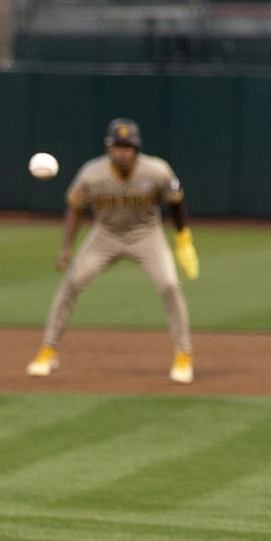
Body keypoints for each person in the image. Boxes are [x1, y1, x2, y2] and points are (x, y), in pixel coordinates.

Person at [26, 118, 200, 384]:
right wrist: (66, 247)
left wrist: (183, 238)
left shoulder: (156, 171)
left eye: (127, 146)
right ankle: (48, 350)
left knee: (170, 285)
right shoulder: (92, 174)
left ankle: (183, 354)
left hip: (146, 235)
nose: (122, 151)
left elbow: (175, 201)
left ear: (136, 149)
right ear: (108, 148)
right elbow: (75, 207)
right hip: (105, 235)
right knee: (72, 282)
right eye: (117, 146)